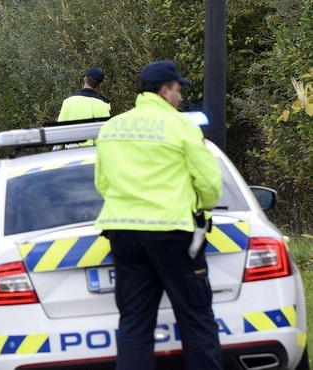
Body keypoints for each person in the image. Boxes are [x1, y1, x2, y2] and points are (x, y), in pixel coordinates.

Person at [94, 60, 223, 370]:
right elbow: (209, 183)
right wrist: (202, 207)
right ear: (165, 91)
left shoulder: (111, 128)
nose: (180, 97)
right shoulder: (180, 126)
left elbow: (102, 182)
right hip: (171, 234)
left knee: (135, 322)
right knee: (196, 318)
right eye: (178, 90)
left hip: (122, 233)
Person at [57, 67, 110, 146]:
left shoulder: (68, 101)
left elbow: (59, 132)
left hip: (70, 153)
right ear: (100, 85)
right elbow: (103, 136)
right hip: (90, 153)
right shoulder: (103, 105)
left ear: (85, 79)